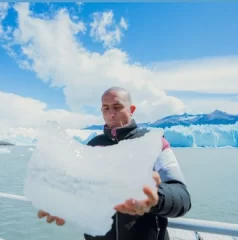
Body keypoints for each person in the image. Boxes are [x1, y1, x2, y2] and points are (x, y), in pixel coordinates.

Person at [38, 87, 191, 240]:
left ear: (131, 109)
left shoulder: (155, 143)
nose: (111, 114)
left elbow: (182, 197)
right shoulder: (91, 148)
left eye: (117, 107)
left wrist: (156, 197)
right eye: (106, 109)